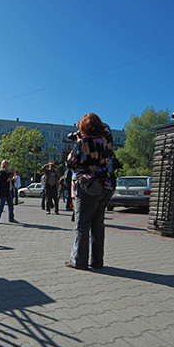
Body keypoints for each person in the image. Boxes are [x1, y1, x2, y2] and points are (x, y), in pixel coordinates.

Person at [65, 112, 116, 270]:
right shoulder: (108, 138)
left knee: (82, 225)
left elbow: (70, 163)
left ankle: (79, 261)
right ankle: (97, 261)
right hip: (107, 185)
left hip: (89, 186)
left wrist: (79, 140)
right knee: (98, 225)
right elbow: (107, 128)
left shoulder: (84, 143)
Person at [0, 159, 18, 224]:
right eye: (8, 164)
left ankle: (11, 218)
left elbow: (10, 181)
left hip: (9, 191)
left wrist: (13, 181)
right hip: (4, 192)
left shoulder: (9, 173)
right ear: (5, 165)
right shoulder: (1, 172)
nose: (9, 166)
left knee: (11, 206)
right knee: (1, 205)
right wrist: (7, 180)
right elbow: (1, 183)